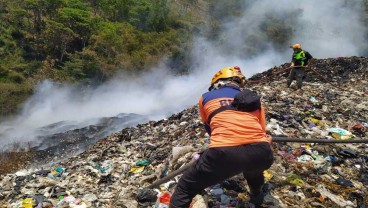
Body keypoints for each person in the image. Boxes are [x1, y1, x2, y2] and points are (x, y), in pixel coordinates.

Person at [169, 66, 274, 208]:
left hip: (224, 152)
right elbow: (262, 131)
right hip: (262, 152)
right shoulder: (255, 100)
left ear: (219, 83)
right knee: (253, 168)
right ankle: (256, 196)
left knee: (185, 187)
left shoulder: (205, 97)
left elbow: (210, 128)